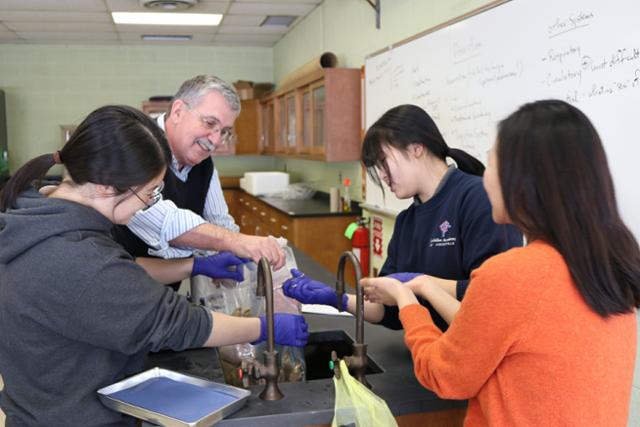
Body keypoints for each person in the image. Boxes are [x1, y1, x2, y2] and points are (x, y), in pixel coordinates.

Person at [0, 105, 308, 426]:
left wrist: (194, 267)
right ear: (107, 185)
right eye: (149, 193)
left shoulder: (40, 212)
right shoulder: (79, 260)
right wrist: (265, 327)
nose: (149, 203)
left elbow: (121, 271)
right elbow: (177, 323)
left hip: (36, 405)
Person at [361, 100, 640, 425]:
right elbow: (492, 331)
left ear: (524, 181)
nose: (484, 176)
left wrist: (407, 300)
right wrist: (423, 285)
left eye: (492, 164)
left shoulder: (515, 273)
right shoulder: (612, 264)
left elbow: (443, 374)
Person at [283, 104, 522, 330]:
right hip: (427, 355)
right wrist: (338, 299)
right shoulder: (407, 221)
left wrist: (420, 282)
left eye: (383, 162)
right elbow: (386, 310)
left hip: (474, 360)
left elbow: (492, 294)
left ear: (416, 148)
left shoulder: (479, 199)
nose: (382, 176)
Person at [112, 75, 285, 291]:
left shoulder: (202, 162)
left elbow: (220, 221)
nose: (215, 140)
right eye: (210, 123)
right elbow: (166, 222)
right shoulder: (138, 145)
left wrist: (238, 258)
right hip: (115, 288)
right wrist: (235, 241)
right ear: (177, 112)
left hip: (161, 291)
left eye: (224, 132)